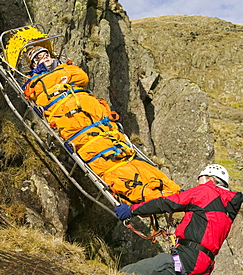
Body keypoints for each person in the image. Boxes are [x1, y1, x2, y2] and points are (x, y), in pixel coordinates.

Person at [22, 46, 180, 204]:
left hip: (97, 117)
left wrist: (58, 77)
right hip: (75, 123)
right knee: (107, 160)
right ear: (35, 65)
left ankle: (169, 190)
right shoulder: (35, 82)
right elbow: (42, 97)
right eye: (39, 57)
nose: (45, 58)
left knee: (125, 152)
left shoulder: (66, 68)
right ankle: (152, 198)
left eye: (46, 54)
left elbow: (82, 78)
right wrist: (59, 78)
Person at [114, 164, 243, 275]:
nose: (198, 182)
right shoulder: (229, 207)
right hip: (202, 269)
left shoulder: (205, 191)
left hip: (188, 259)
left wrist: (131, 210)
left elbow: (165, 203)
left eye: (200, 179)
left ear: (209, 179)